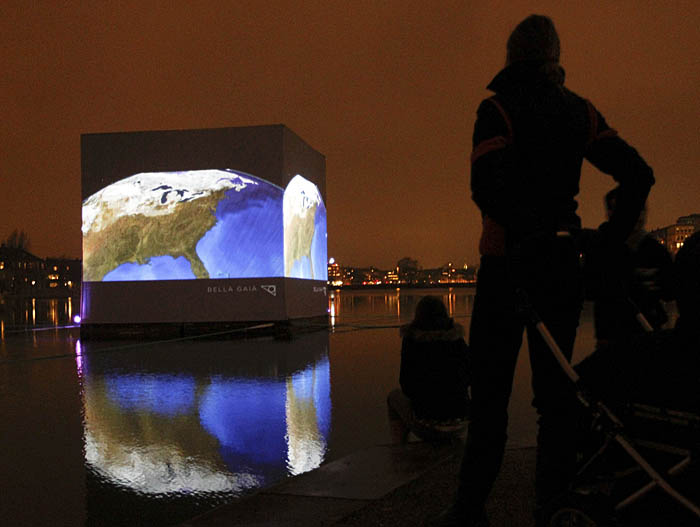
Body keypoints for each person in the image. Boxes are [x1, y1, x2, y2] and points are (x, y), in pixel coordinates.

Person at [433, 15, 655, 527]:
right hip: (560, 265)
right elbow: (639, 174)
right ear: (556, 59)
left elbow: (486, 188)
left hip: (506, 265)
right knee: (555, 399)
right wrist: (606, 242)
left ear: (511, 58)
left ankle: (470, 509)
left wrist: (522, 232)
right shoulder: (581, 112)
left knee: (489, 397)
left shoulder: (496, 110)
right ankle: (550, 506)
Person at [591, 187, 673, 348]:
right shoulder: (602, 248)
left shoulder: (656, 251)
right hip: (616, 334)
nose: (637, 216)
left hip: (648, 331)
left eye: (640, 209)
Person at [387, 295, 471, 443]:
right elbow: (470, 375)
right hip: (461, 423)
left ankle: (399, 445)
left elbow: (406, 384)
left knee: (393, 398)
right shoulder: (456, 339)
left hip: (427, 425)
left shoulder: (412, 340)